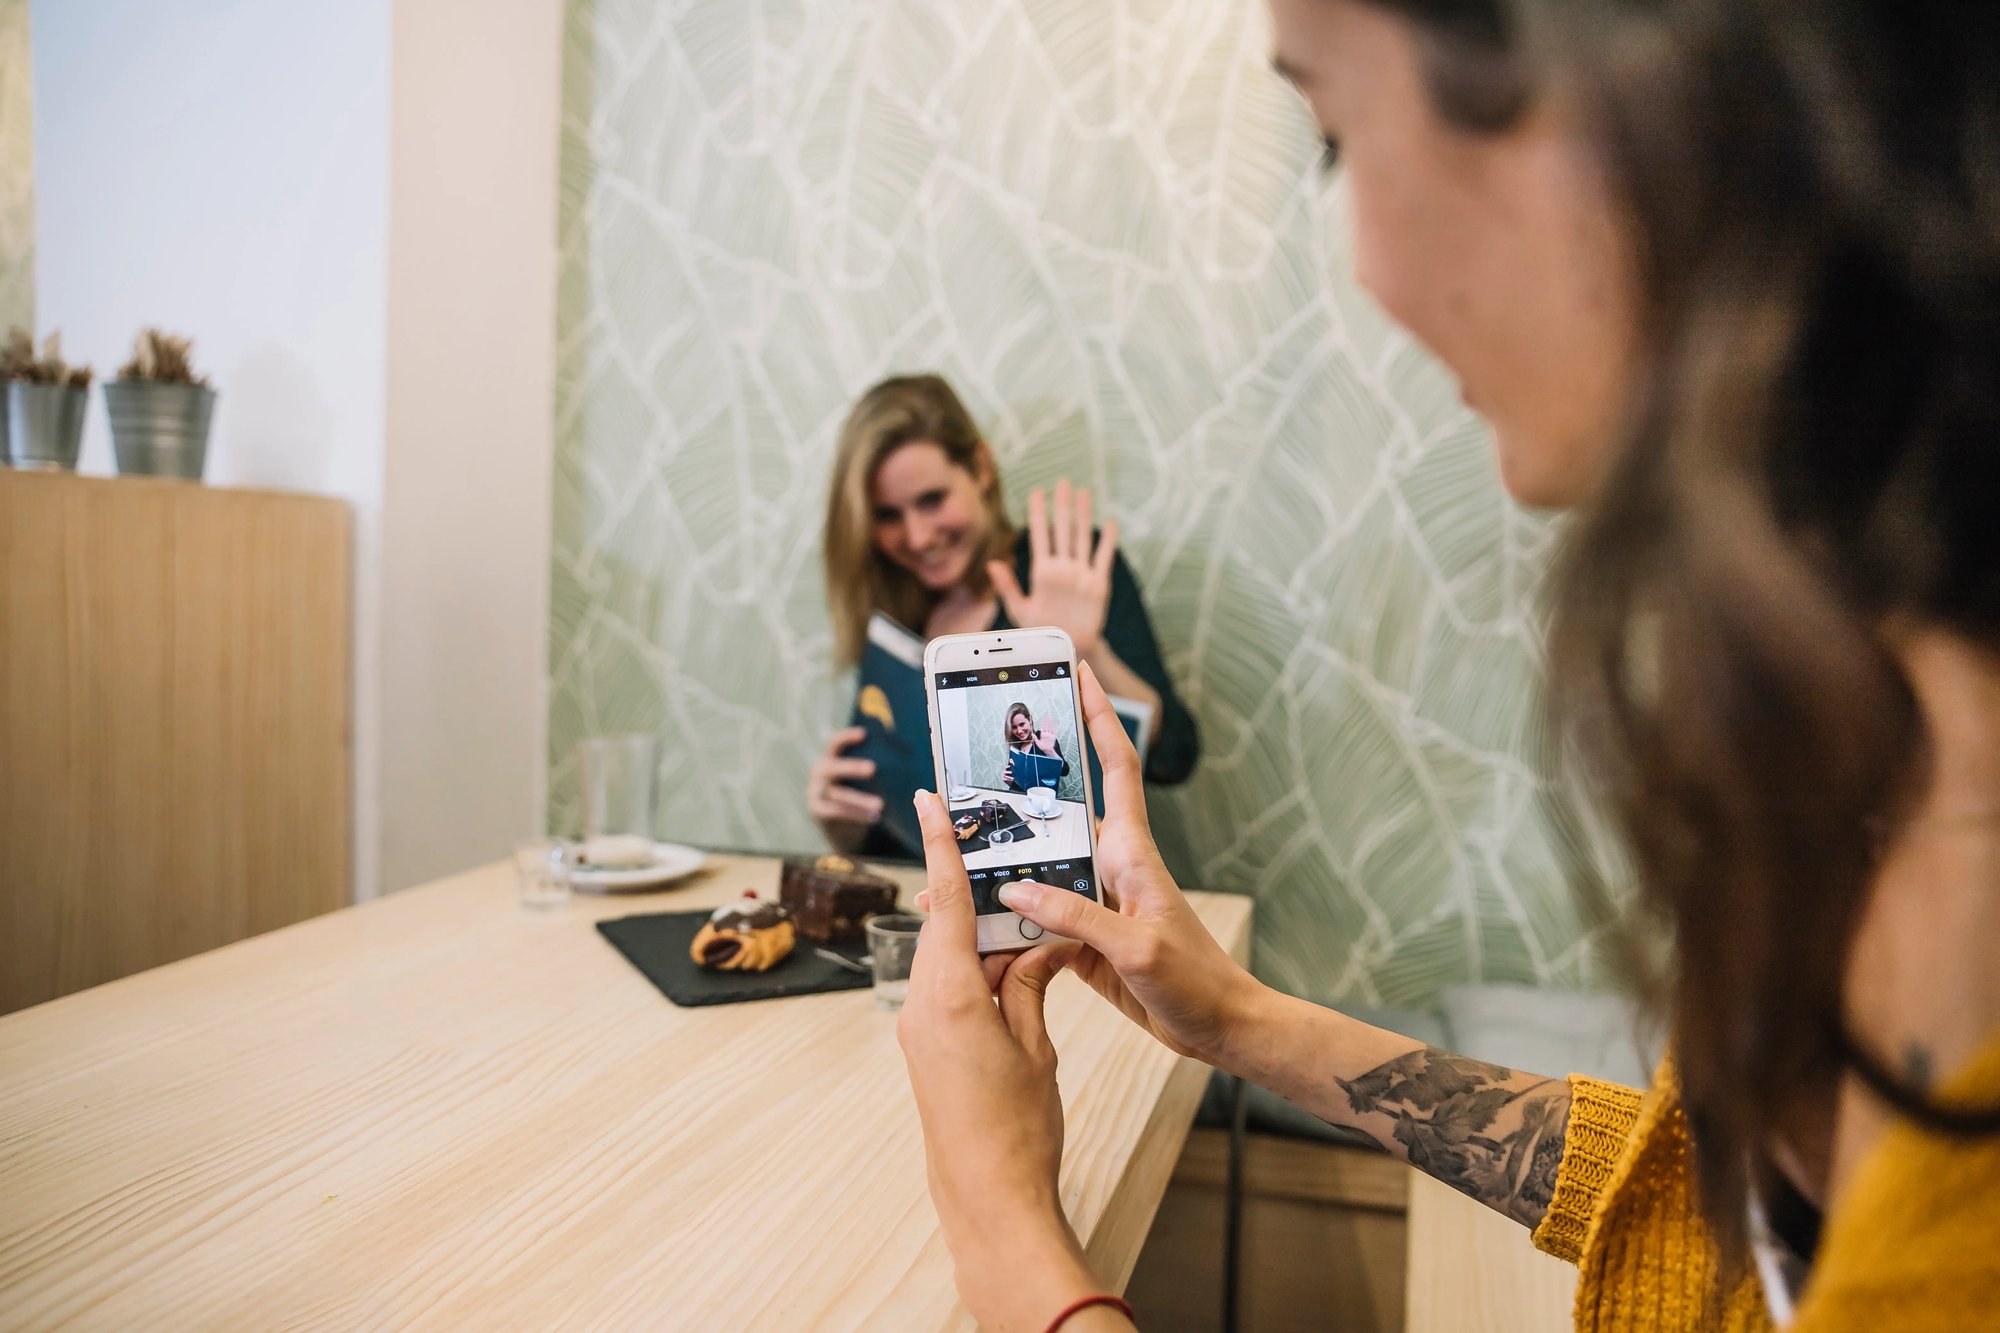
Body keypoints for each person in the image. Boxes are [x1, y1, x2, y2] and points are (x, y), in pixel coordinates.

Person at [896, 1, 2000, 1330]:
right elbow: (1703, 1202)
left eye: (1335, 134)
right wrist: (1242, 1019)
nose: (1361, 264)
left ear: (1615, 88)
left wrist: (1002, 1227)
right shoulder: (1894, 752)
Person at [806, 374, 1198, 857]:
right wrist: (844, 822)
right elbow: (898, 829)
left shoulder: (1064, 571)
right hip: (936, 910)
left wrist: (1088, 651)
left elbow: (1174, 754)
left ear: (981, 468)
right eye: (888, 515)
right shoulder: (897, 611)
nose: (918, 537)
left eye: (933, 500)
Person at [1001, 702, 1067, 794]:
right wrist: (1009, 782)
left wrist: (1050, 752)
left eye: (1022, 724)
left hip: (1041, 799)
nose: (1019, 731)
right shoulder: (1016, 745)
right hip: (1020, 798)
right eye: (1014, 727)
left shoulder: (1044, 738)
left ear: (1030, 720)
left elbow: (1064, 771)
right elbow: (1021, 785)